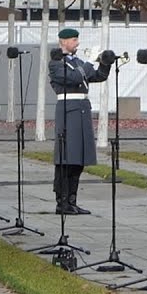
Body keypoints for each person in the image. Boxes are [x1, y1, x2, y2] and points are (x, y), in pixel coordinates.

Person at [48, 28, 113, 216]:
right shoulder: (56, 63)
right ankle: (62, 202)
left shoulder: (77, 62)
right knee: (66, 158)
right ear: (63, 41)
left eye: (77, 39)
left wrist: (105, 62)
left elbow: (98, 76)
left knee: (78, 159)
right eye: (74, 40)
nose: (77, 43)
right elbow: (75, 77)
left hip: (82, 109)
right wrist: (90, 62)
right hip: (68, 110)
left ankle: (72, 201)